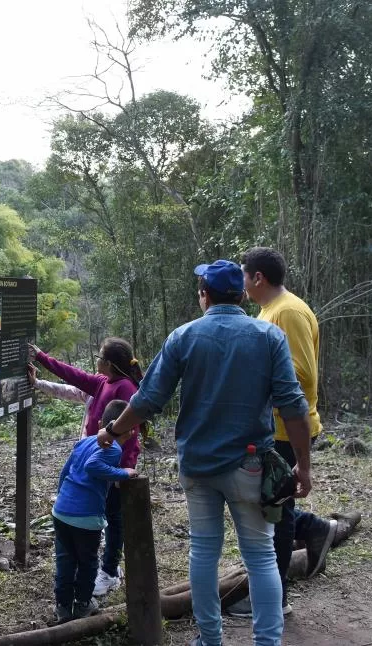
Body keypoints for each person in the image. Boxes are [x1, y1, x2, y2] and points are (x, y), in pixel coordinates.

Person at [98, 259, 314, 646]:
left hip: (198, 465)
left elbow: (148, 399)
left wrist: (114, 430)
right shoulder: (267, 337)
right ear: (241, 294)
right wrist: (303, 465)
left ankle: (209, 639)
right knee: (261, 556)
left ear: (204, 295)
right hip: (251, 464)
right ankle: (267, 641)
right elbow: (294, 405)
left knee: (203, 551)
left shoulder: (184, 337)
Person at [225, 247, 339, 618]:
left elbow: (302, 374)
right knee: (275, 504)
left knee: (276, 510)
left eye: (244, 275)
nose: (241, 283)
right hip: (273, 427)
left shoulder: (287, 311)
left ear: (258, 278)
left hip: (288, 429)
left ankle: (274, 599)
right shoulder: (269, 311)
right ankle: (315, 528)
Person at [28, 338, 144, 596]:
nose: (96, 360)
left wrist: (121, 471)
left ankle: (110, 571)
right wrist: (41, 358)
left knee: (114, 519)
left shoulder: (124, 388)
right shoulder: (103, 382)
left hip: (111, 469)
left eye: (100, 357)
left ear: (109, 363)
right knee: (100, 515)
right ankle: (105, 565)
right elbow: (73, 375)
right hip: (97, 465)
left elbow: (132, 433)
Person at [52, 399, 139, 623]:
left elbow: (65, 471)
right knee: (88, 561)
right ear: (129, 429)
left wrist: (62, 496)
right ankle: (82, 604)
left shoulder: (85, 441)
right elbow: (93, 466)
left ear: (101, 422)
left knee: (65, 559)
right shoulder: (113, 448)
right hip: (86, 517)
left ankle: (62, 606)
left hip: (61, 511)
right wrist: (124, 473)